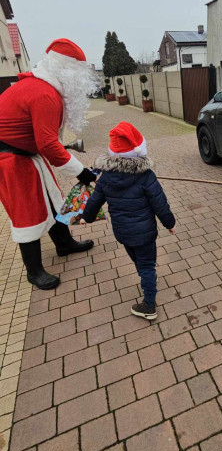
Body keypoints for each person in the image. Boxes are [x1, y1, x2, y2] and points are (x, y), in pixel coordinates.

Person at [0, 38, 98, 290]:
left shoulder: (44, 87)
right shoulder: (45, 94)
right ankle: (33, 271)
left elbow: (43, 140)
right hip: (10, 160)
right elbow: (46, 143)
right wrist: (82, 173)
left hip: (26, 155)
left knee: (53, 200)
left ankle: (64, 244)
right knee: (27, 211)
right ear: (68, 72)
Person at [80, 121, 176, 320]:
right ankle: (149, 305)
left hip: (123, 232)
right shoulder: (146, 175)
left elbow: (94, 201)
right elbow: (160, 203)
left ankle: (145, 274)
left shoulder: (106, 177)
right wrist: (170, 223)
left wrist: (86, 218)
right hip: (145, 232)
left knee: (139, 261)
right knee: (148, 266)